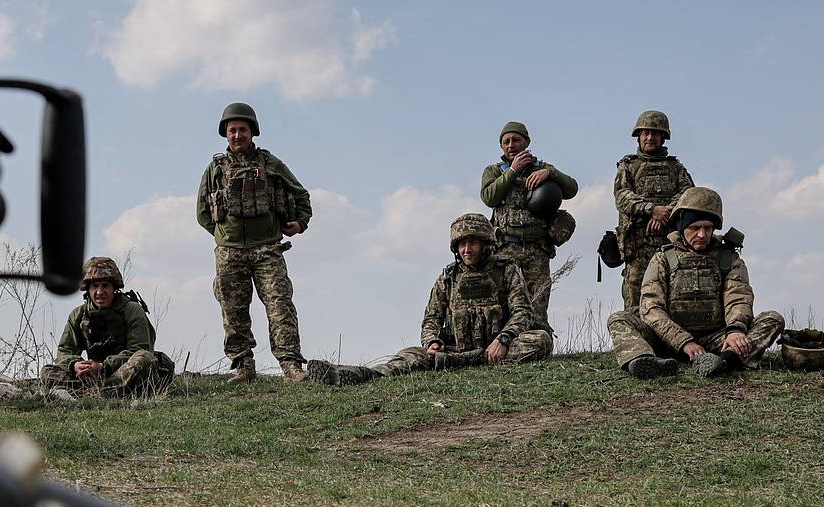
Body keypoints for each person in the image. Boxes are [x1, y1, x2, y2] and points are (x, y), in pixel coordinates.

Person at [306, 213, 551, 385]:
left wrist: (503, 340)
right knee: (407, 356)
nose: (467, 250)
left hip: (496, 349)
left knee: (540, 341)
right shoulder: (448, 277)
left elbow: (522, 312)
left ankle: (460, 362)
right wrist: (432, 342)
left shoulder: (506, 269)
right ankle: (355, 374)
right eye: (462, 244)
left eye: (473, 242)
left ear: (486, 244)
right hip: (454, 350)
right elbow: (432, 318)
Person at [607, 187, 784, 379]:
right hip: (667, 341)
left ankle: (724, 361)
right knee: (619, 319)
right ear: (682, 227)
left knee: (772, 319)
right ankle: (645, 361)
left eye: (707, 228)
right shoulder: (663, 258)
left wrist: (735, 330)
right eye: (694, 228)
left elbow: (738, 298)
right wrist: (684, 342)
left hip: (717, 339)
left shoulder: (728, 258)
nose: (701, 234)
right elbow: (651, 308)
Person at [196, 102, 311, 383]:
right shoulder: (215, 168)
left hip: (268, 249)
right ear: (225, 134)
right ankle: (244, 367)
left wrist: (300, 224)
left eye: (243, 129)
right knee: (233, 310)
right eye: (232, 130)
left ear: (252, 132)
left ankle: (291, 365)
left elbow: (301, 195)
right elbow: (202, 212)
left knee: (280, 306)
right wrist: (225, 236)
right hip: (229, 252)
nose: (237, 135)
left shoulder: (270, 164)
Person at [479, 121, 578, 329]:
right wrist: (513, 171)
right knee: (505, 302)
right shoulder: (494, 171)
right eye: (505, 142)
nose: (510, 145)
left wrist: (550, 173)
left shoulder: (542, 168)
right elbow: (489, 197)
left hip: (536, 248)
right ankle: (506, 348)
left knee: (538, 303)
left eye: (516, 140)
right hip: (505, 248)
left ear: (526, 142)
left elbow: (571, 188)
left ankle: (538, 347)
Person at [39, 256, 172, 397]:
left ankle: (91, 393)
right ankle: (100, 392)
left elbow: (139, 348)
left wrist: (103, 367)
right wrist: (76, 366)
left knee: (144, 358)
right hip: (95, 377)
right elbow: (64, 351)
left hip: (125, 372)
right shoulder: (78, 315)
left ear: (114, 288)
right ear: (88, 290)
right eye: (95, 286)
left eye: (105, 286)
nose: (100, 292)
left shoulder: (131, 310)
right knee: (47, 372)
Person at [613, 111, 694, 311]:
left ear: (663, 137)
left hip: (671, 243)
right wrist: (651, 210)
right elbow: (622, 196)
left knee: (672, 295)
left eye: (655, 134)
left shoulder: (676, 168)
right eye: (646, 133)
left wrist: (665, 212)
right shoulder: (628, 166)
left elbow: (690, 196)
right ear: (639, 136)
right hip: (638, 244)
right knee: (635, 302)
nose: (650, 138)